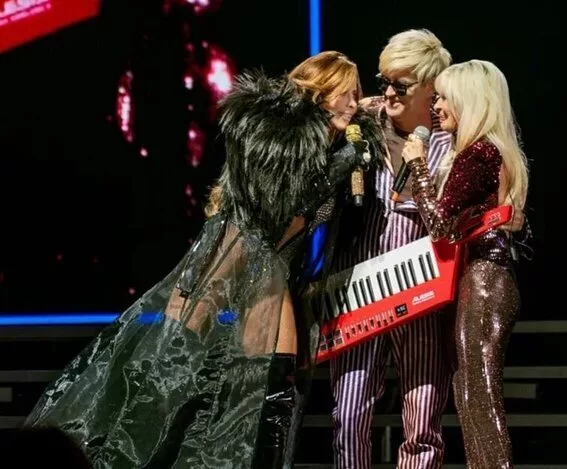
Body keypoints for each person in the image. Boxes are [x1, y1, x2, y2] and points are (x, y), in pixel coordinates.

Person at [24, 51, 384, 469]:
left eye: (357, 93)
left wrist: (366, 136)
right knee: (172, 364)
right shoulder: (275, 137)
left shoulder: (338, 145)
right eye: (344, 92)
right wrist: (346, 158)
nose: (353, 102)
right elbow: (285, 204)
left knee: (271, 388)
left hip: (273, 269)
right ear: (319, 92)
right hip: (229, 258)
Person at [327, 29, 454, 469]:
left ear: (431, 86)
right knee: (348, 415)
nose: (388, 93)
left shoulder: (451, 137)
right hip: (359, 289)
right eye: (384, 82)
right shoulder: (362, 123)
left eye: (400, 85)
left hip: (422, 291)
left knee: (423, 421)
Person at [402, 59, 530, 469]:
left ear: (469, 101)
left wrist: (417, 165)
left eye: (444, 97)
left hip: (483, 280)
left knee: (478, 394)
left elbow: (440, 225)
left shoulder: (478, 152)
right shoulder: (491, 151)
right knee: (472, 391)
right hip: (488, 279)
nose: (436, 105)